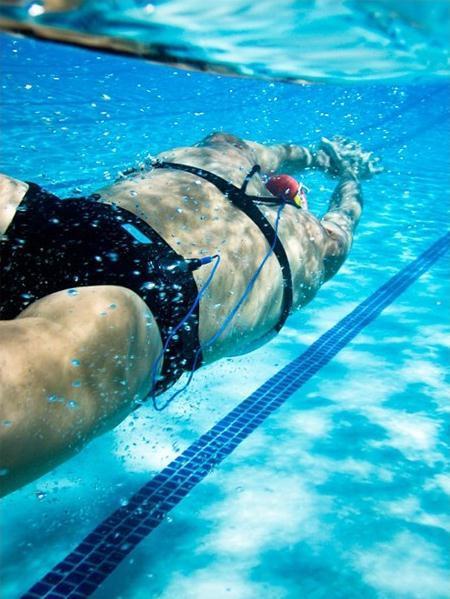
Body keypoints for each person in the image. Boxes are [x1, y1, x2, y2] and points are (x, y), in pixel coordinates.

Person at [0, 132, 382, 496]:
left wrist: (318, 157)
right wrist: (350, 175)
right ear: (298, 203)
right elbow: (345, 218)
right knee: (50, 358)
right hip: (154, 301)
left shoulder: (225, 153)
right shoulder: (316, 245)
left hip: (68, 221)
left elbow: (271, 152)